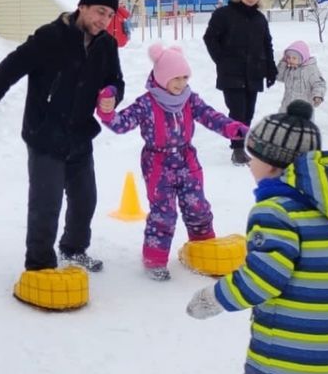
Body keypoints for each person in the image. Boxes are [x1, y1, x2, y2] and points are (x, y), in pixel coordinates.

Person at [186, 101, 328, 374]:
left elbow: (264, 277)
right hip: (327, 350)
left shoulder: (275, 212)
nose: (250, 161)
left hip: (284, 350)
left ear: (275, 164)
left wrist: (215, 297)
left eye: (255, 155)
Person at [0, 0, 125, 273]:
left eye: (109, 16)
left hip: (80, 133)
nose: (104, 21)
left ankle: (73, 248)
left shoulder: (106, 44)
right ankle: (39, 264)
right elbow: (11, 67)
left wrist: (112, 95)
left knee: (85, 199)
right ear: (82, 7)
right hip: (45, 132)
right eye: (99, 12)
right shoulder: (51, 37)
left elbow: (115, 80)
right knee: (46, 202)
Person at [96, 43, 247, 280]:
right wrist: (107, 112)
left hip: (187, 160)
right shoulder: (146, 103)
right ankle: (155, 260)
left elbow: (209, 115)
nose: (181, 83)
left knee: (198, 207)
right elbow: (121, 123)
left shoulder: (189, 99)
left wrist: (231, 127)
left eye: (185, 77)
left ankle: (203, 250)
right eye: (175, 78)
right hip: (158, 164)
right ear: (161, 77)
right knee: (163, 214)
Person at [204, 0, 275, 166]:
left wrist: (270, 68)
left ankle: (242, 144)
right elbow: (210, 38)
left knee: (249, 112)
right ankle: (237, 149)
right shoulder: (224, 14)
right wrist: (221, 60)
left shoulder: (259, 18)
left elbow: (267, 44)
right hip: (232, 73)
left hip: (254, 72)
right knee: (237, 110)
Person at [275, 40, 326, 111]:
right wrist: (283, 63)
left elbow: (319, 83)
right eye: (288, 57)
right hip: (287, 106)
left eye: (294, 58)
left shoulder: (310, 69)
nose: (290, 60)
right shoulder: (289, 68)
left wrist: (318, 95)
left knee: (302, 122)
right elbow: (278, 77)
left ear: (302, 58)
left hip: (304, 108)